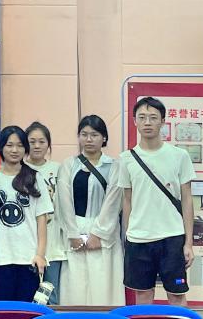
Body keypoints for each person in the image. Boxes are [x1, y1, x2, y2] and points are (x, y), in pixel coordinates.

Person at [118, 97, 196, 305]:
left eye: (153, 117)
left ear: (163, 121)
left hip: (172, 237)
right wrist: (127, 237)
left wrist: (188, 243)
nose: (147, 122)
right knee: (143, 294)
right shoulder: (126, 159)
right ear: (134, 121)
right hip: (139, 238)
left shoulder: (179, 155)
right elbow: (127, 200)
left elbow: (187, 200)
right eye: (142, 117)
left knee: (177, 294)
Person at [56, 114, 124, 306]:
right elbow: (64, 201)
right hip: (75, 232)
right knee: (75, 286)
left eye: (94, 135)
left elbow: (113, 202)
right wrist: (72, 233)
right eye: (84, 134)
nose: (88, 139)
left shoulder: (114, 166)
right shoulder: (69, 165)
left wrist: (98, 233)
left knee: (103, 285)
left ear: (104, 138)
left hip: (104, 234)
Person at [0, 125, 51, 301]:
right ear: (1, 147)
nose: (14, 150)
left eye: (19, 145)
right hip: (0, 258)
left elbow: (42, 219)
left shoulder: (35, 177)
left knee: (27, 310)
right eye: (9, 145)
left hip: (28, 259)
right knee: (3, 310)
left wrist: (40, 255)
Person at [24, 121, 65, 303]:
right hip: (28, 242)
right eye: (32, 142)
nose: (37, 146)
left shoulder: (59, 169)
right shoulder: (20, 170)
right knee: (29, 297)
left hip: (54, 242)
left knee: (51, 296)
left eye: (42, 141)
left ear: (49, 144)